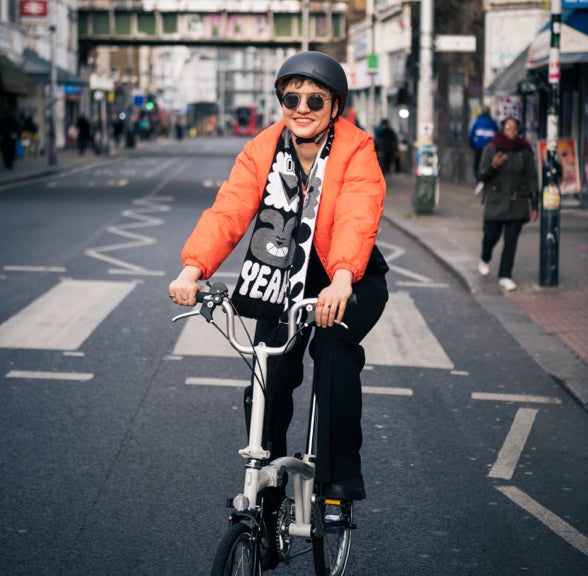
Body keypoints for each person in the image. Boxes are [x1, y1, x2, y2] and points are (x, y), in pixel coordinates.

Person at [169, 50, 388, 525]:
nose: (302, 107)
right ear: (281, 102)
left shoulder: (356, 149)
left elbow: (356, 213)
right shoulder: (262, 148)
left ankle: (337, 484)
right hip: (284, 275)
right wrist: (194, 269)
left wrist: (344, 279)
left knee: (332, 351)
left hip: (347, 277)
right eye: (291, 97)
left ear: (335, 106)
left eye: (315, 98)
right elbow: (229, 211)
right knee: (267, 375)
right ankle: (268, 484)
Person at [477, 117, 538, 291]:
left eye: (514, 129)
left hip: (517, 202)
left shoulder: (525, 151)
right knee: (491, 236)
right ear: (502, 130)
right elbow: (481, 175)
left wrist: (534, 205)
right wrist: (493, 166)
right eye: (508, 128)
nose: (511, 132)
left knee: (511, 241)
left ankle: (505, 275)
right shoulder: (491, 148)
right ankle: (485, 257)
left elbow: (532, 179)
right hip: (496, 202)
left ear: (518, 131)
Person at [468, 105, 498, 195]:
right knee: (489, 166)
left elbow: (470, 136)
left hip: (478, 148)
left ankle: (479, 182)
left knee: (477, 165)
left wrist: (473, 146)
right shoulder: (493, 123)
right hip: (490, 149)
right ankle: (486, 182)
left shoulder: (476, 122)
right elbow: (497, 135)